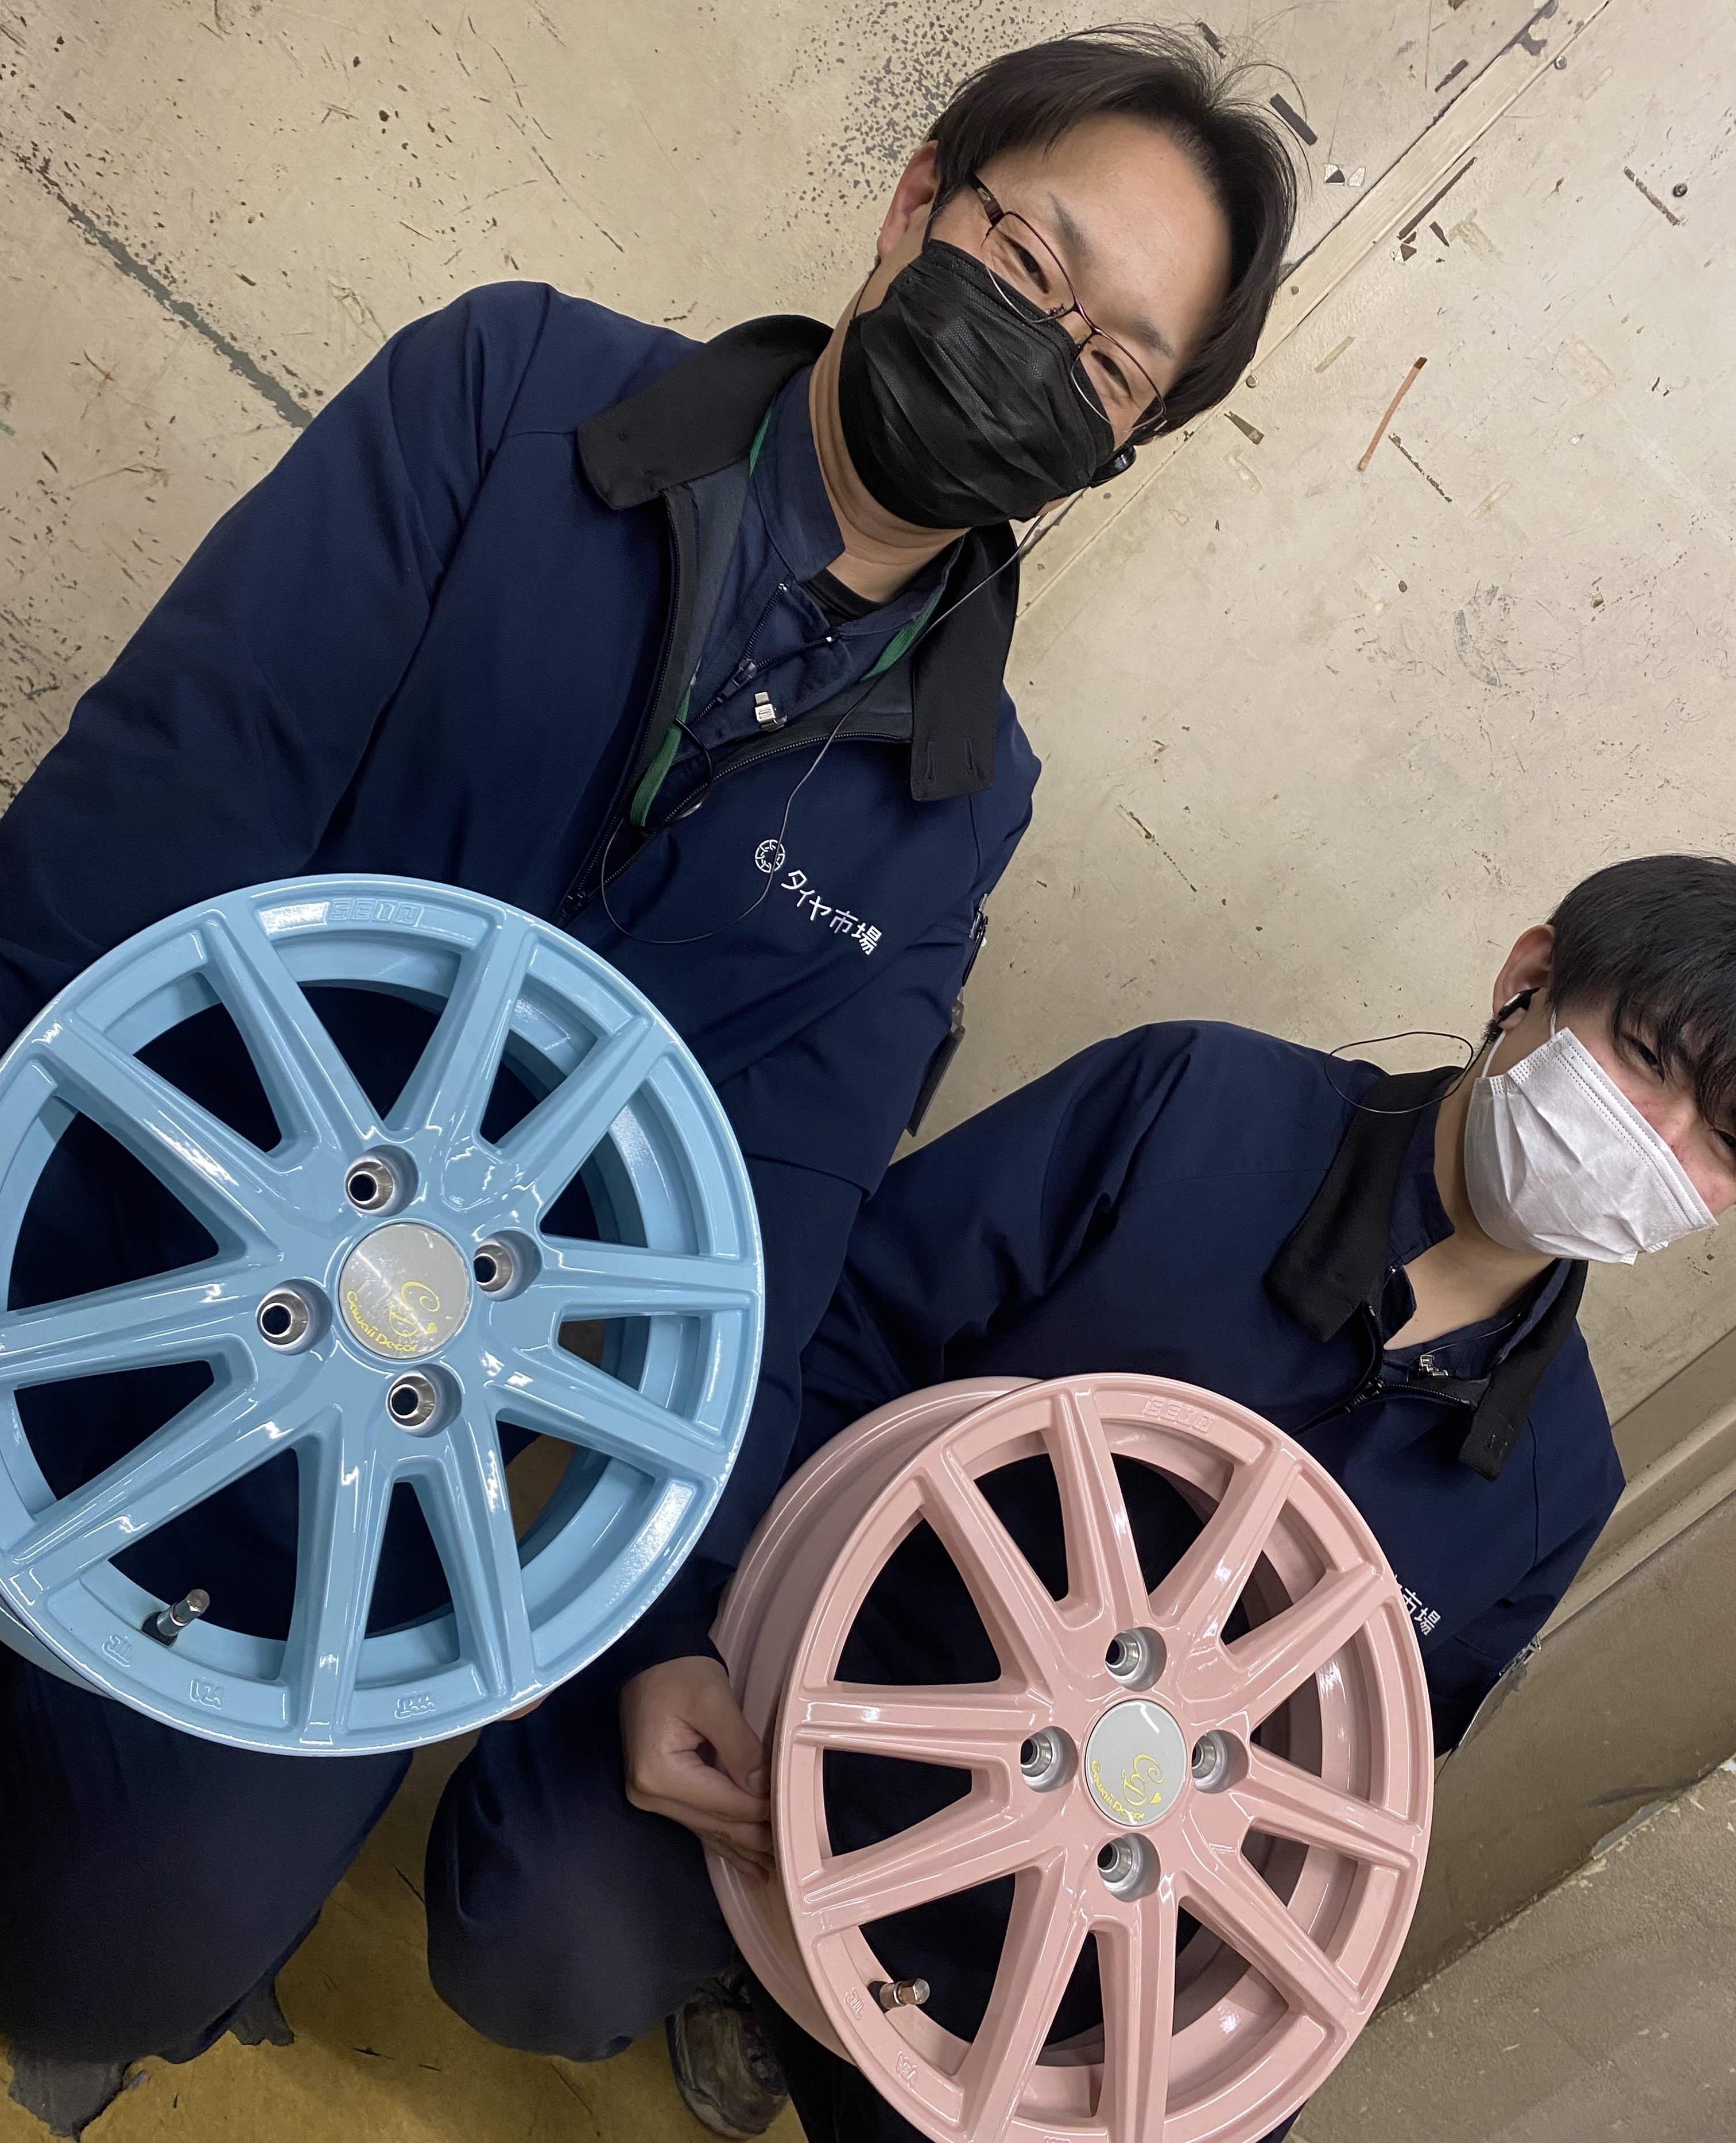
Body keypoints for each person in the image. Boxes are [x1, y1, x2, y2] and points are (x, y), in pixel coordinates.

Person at [0, 28, 1296, 2102]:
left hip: (370, 1438)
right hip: (84, 1205)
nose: (1036, 357)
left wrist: (685, 1608)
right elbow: (163, 793)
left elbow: (777, 1216)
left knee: (123, 1947)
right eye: (1024, 264)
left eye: (1110, 364)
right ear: (918, 197)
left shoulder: (956, 805)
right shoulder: (515, 392)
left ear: (1118, 449)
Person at [554, 853, 1732, 2141]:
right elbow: (851, 1327)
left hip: (1038, 1917)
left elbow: (1343, 1811)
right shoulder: (1195, 1109)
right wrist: (678, 1628)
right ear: (1529, 979)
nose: (1656, 1148)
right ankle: (720, 1977)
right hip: (788, 1707)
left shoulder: (1558, 1487)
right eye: (1644, 1059)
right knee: (539, 1934)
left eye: (1724, 1140)